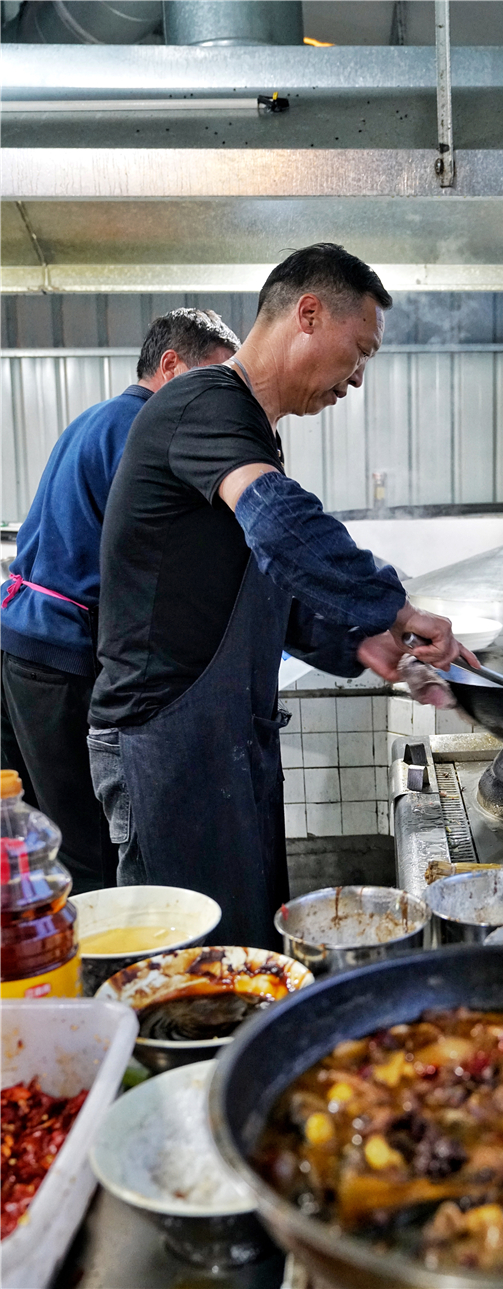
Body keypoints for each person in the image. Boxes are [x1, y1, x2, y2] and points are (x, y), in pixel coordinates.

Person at [87, 244, 475, 949]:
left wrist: (357, 641)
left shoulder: (249, 429)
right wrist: (394, 606)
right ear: (307, 313)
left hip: (226, 742)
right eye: (359, 351)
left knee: (250, 950)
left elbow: (266, 584)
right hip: (164, 748)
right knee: (196, 970)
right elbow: (279, 521)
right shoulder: (201, 402)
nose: (358, 378)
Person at [1, 309, 240, 893]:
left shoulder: (94, 419)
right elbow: (145, 569)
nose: (218, 401)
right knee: (86, 848)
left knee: (38, 833)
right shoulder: (142, 430)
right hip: (58, 656)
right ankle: (92, 979)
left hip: (20, 642)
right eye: (212, 378)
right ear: (170, 365)